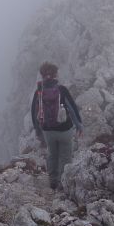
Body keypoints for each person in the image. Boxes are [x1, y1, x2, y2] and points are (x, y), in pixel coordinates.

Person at [30, 62, 83, 190]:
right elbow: (72, 109)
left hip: (48, 131)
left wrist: (38, 131)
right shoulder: (62, 90)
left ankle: (53, 181)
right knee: (65, 156)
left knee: (52, 154)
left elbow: (34, 112)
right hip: (65, 130)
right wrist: (79, 125)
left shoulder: (39, 91)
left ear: (42, 75)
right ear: (55, 74)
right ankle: (63, 183)